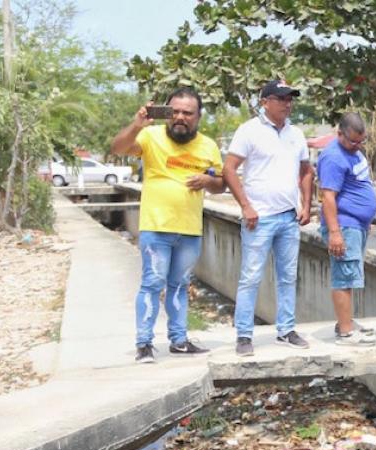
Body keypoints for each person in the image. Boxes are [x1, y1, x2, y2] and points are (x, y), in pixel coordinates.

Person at [110, 88, 224, 363]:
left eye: (188, 113)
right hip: (156, 228)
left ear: (198, 117)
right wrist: (137, 124)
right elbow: (118, 148)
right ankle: (144, 344)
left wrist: (209, 182)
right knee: (151, 283)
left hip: (190, 230)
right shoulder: (150, 136)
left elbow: (220, 184)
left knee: (180, 285)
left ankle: (179, 340)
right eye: (174, 112)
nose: (180, 118)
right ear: (167, 113)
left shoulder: (208, 145)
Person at [223, 80, 314, 357]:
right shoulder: (249, 131)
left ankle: (286, 329)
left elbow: (306, 170)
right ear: (265, 102)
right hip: (258, 219)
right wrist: (246, 206)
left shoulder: (296, 134)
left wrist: (306, 204)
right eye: (281, 98)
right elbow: (229, 169)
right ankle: (243, 335)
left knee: (288, 277)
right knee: (250, 277)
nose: (288, 103)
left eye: (290, 98)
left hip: (288, 218)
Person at [316, 112, 376, 346]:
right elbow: (328, 197)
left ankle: (346, 321)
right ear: (339, 133)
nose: (357, 145)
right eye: (352, 141)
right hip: (343, 224)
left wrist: (365, 218)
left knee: (351, 275)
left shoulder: (354, 152)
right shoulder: (333, 158)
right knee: (344, 275)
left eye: (361, 141)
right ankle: (345, 332)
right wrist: (334, 233)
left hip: (356, 225)